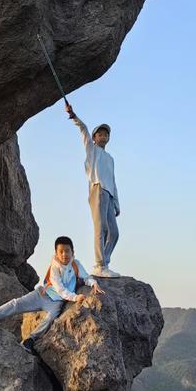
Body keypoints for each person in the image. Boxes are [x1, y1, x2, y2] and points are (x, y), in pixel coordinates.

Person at [0, 236, 104, 354]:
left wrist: (93, 283)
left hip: (56, 302)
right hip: (42, 295)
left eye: (67, 251)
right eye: (61, 251)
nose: (64, 254)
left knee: (50, 319)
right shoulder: (54, 267)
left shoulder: (76, 264)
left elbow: (86, 277)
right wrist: (75, 297)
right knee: (18, 303)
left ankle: (29, 341)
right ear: (56, 253)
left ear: (72, 252)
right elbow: (59, 288)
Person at [65, 101, 121, 278]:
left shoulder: (110, 158)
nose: (103, 136)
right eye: (100, 134)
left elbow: (113, 180)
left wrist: (117, 203)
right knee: (101, 227)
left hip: (109, 194)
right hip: (97, 189)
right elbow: (83, 129)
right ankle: (99, 264)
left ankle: (104, 262)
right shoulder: (92, 150)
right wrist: (74, 116)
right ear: (94, 137)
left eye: (106, 134)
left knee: (114, 232)